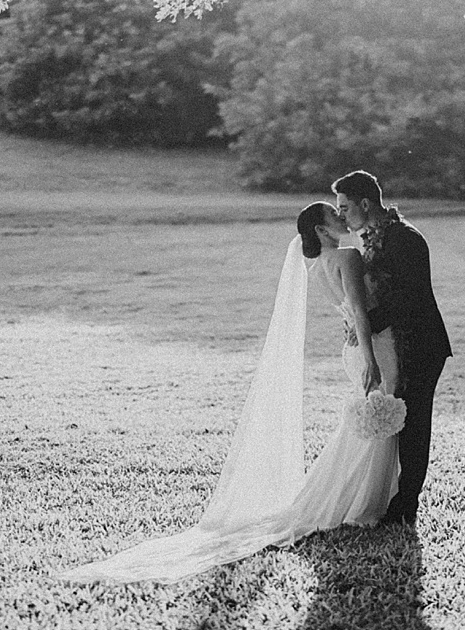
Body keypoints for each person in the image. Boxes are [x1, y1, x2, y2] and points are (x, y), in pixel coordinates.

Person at [59, 202, 401, 584]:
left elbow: (349, 314)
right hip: (370, 348)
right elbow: (359, 311)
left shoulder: (317, 267)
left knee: (364, 426)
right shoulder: (348, 256)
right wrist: (371, 358)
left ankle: (352, 498)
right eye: (334, 217)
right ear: (322, 231)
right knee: (372, 423)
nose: (342, 219)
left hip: (350, 349)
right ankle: (359, 503)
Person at [331, 170, 452, 527]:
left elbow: (408, 300)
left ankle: (406, 506)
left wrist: (365, 329)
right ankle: (386, 497)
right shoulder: (370, 238)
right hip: (393, 344)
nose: (340, 216)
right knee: (394, 422)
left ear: (365, 204)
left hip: (422, 344)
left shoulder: (405, 239)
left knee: (414, 425)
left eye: (344, 207)